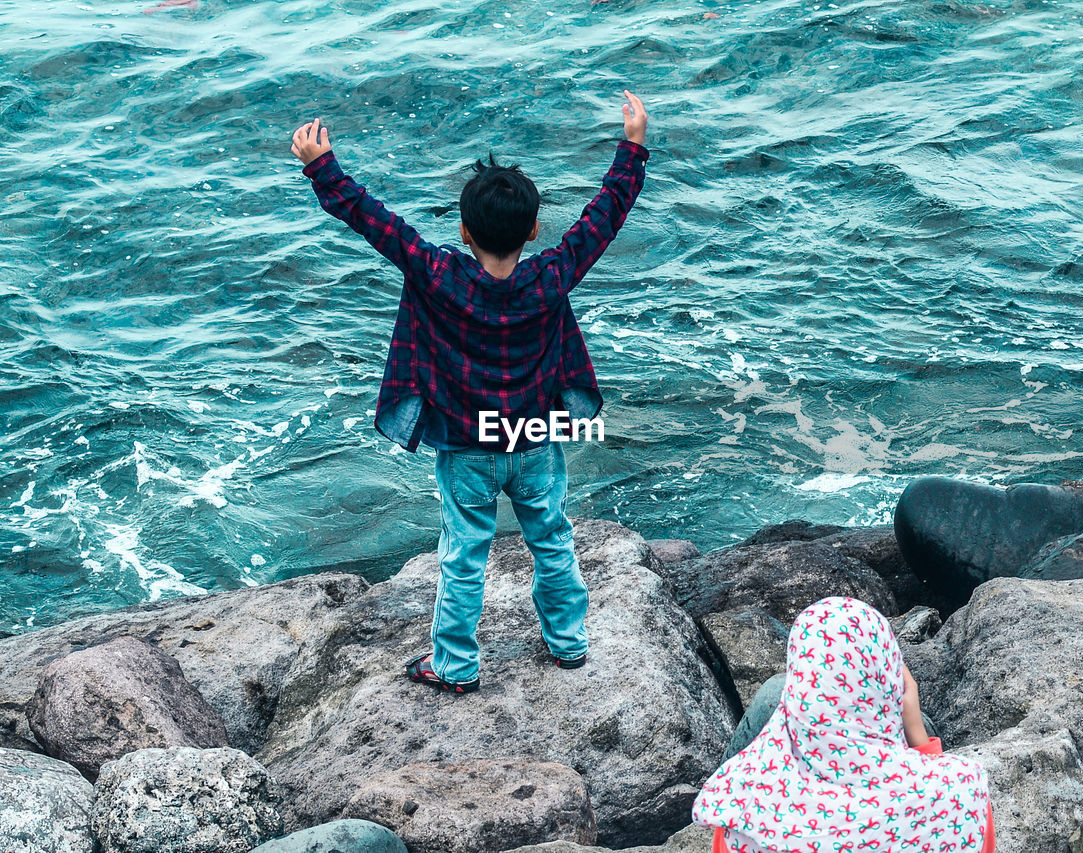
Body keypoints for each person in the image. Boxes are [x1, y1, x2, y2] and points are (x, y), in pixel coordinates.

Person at [289, 92, 650, 694]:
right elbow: (606, 216)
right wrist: (632, 146)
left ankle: (455, 665)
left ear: (461, 231)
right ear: (535, 230)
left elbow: (377, 223)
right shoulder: (552, 273)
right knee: (552, 537)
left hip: (465, 444)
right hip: (535, 436)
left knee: (464, 556)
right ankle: (569, 644)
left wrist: (320, 166)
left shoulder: (438, 273)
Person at [693, 596, 995, 853]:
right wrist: (921, 741)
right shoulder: (961, 796)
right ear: (889, 679)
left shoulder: (742, 805)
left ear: (799, 684)